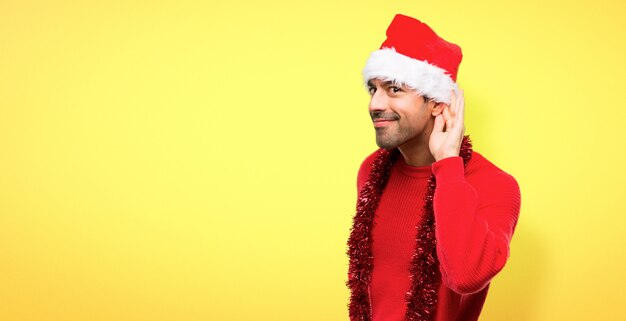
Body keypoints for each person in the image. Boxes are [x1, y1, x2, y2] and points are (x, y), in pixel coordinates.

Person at [346, 14, 522, 321]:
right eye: (373, 89)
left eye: (394, 89)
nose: (375, 104)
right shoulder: (372, 171)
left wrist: (448, 165)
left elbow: (465, 277)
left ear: (438, 103)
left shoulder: (494, 185)